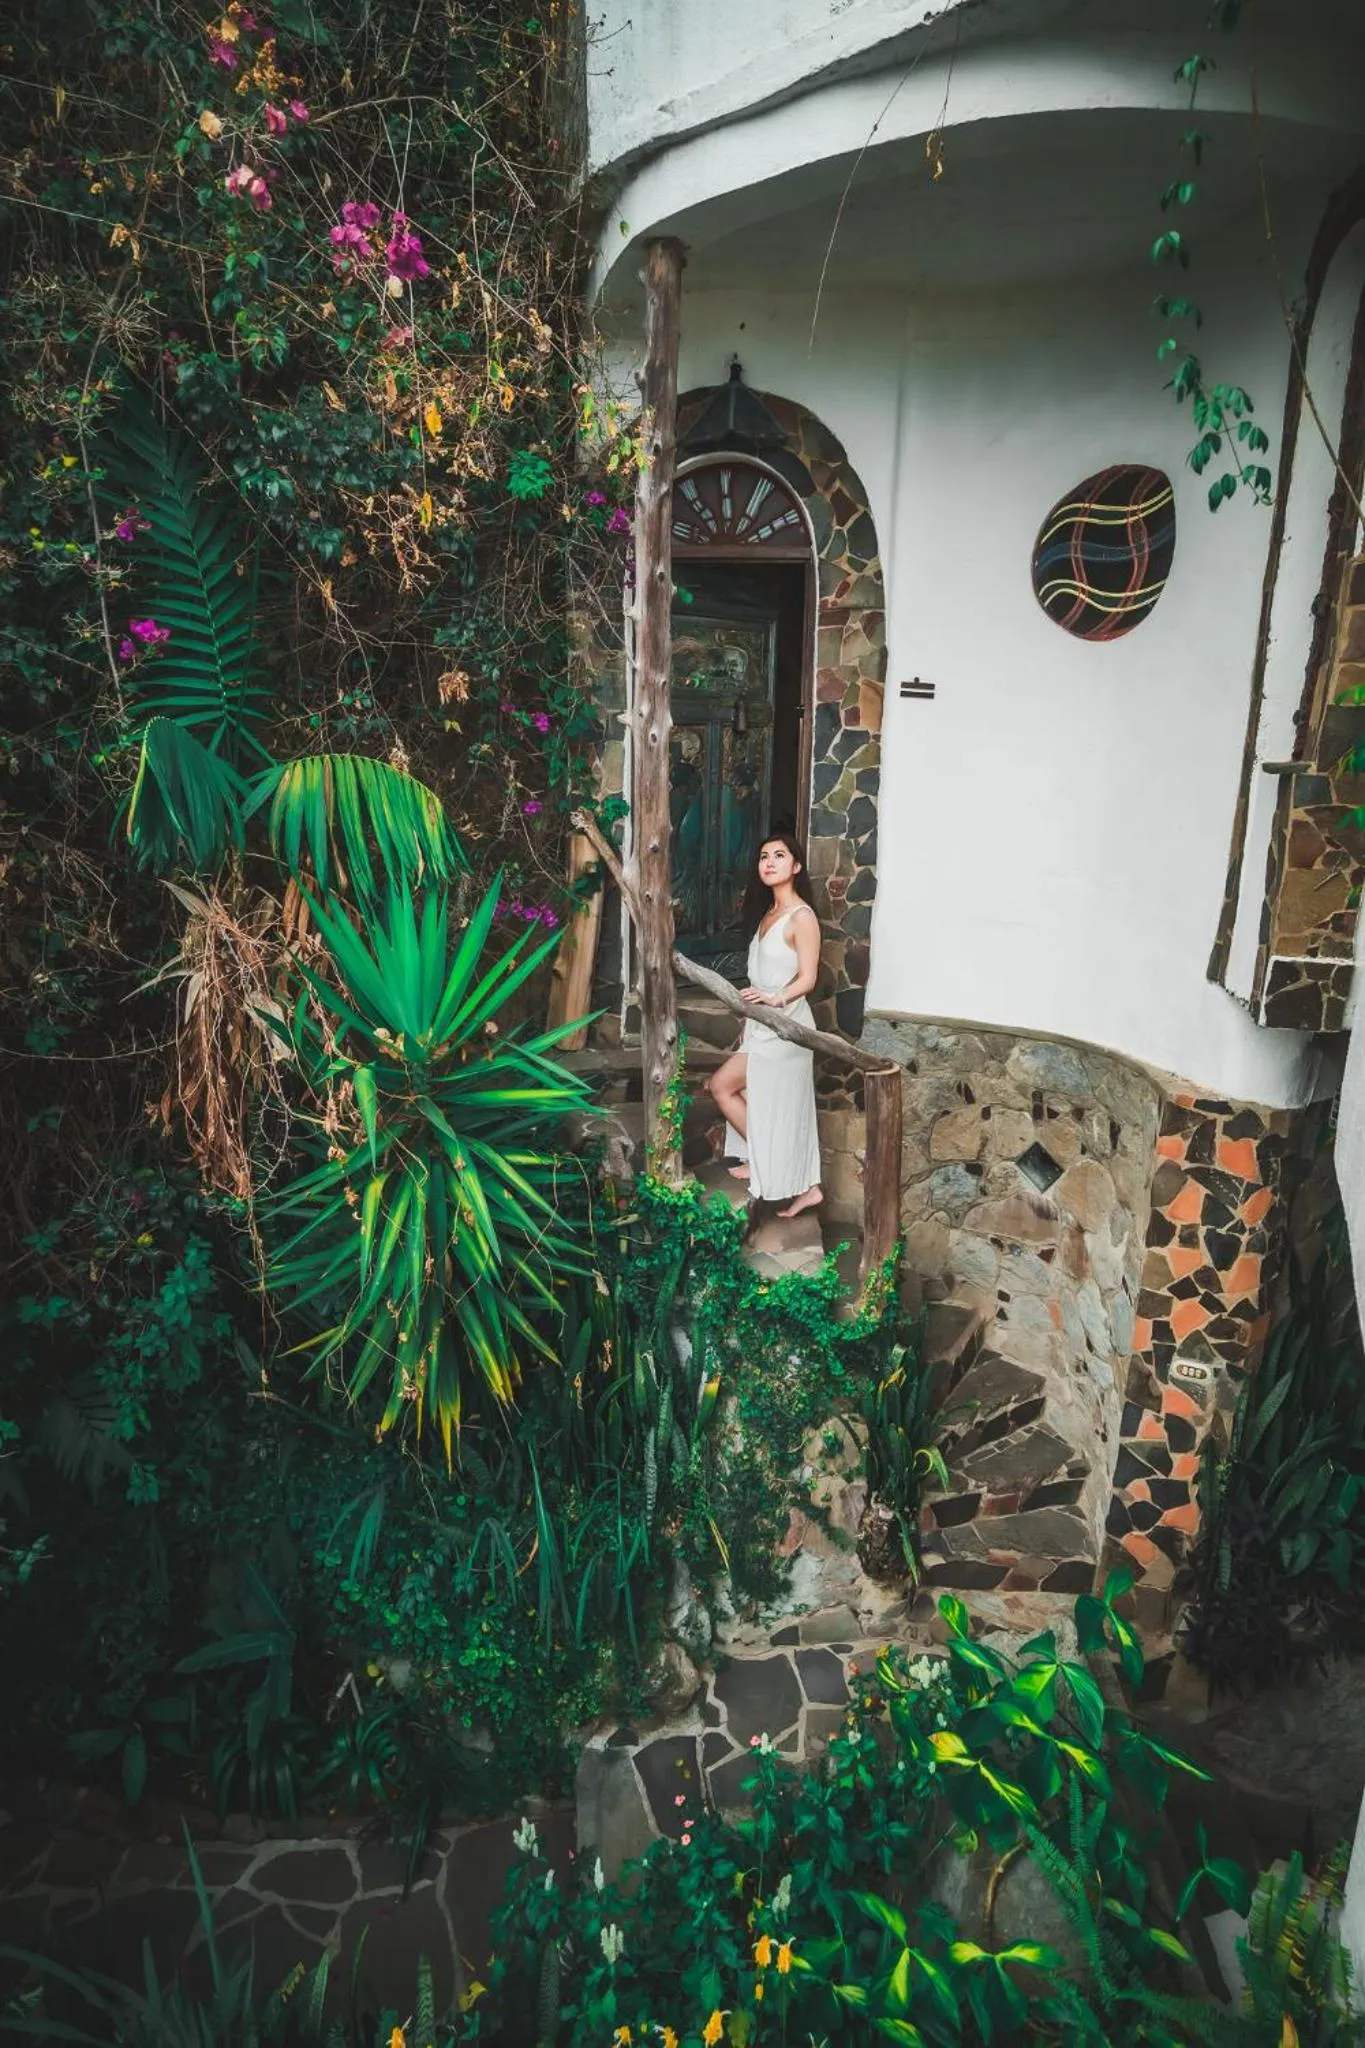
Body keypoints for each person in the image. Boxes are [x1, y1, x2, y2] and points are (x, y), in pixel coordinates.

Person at [707, 833, 823, 1219]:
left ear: (796, 866)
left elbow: (808, 978)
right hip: (761, 1027)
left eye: (779, 855)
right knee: (763, 1100)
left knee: (724, 1087)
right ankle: (799, 1181)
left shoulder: (802, 917)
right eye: (763, 856)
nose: (769, 862)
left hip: (786, 1026)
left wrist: (774, 1000)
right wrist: (750, 1019)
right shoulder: (767, 915)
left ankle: (793, 1178)